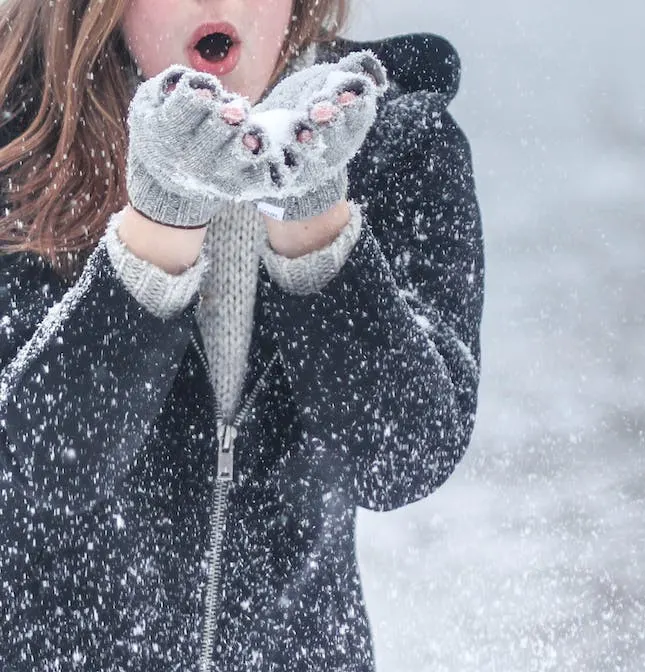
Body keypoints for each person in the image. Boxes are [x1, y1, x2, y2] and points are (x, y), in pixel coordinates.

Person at [0, 0, 484, 668]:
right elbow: (41, 469)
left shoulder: (399, 143)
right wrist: (161, 223)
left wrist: (314, 219)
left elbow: (401, 459)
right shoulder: (17, 148)